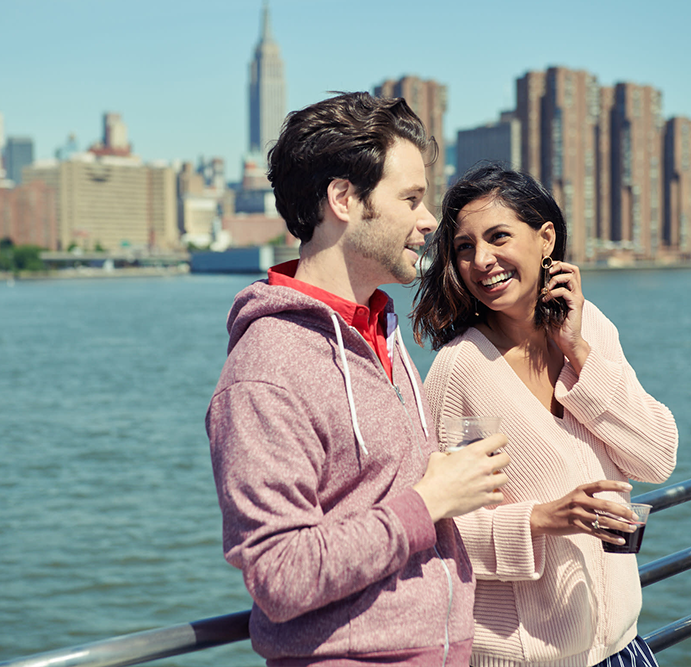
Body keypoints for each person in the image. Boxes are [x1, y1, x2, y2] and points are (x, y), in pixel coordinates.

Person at [207, 93, 511, 667]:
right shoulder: (266, 371)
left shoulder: (383, 334)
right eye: (412, 199)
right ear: (344, 199)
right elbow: (280, 575)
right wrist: (429, 501)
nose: (429, 221)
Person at [413, 164, 678, 667]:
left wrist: (579, 351)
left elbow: (657, 457)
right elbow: (437, 528)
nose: (481, 261)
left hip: (625, 648)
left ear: (545, 239)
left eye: (498, 238)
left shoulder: (590, 325)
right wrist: (541, 520)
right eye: (465, 247)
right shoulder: (459, 370)